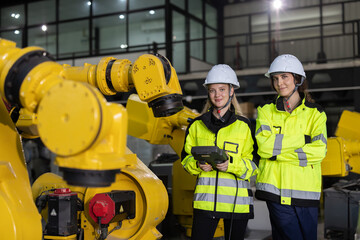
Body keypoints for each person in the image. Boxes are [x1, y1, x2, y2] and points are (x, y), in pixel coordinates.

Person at [181, 64, 258, 240]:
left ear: (232, 91)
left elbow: (253, 165)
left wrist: (230, 165)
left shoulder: (244, 126)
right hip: (205, 202)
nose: (217, 95)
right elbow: (185, 160)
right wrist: (198, 165)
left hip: (236, 204)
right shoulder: (196, 126)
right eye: (212, 90)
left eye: (222, 89)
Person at [255, 54, 327, 240]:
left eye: (284, 77)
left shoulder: (316, 114)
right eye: (275, 78)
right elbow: (264, 147)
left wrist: (277, 152)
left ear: (297, 78)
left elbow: (319, 151)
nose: (280, 83)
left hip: (307, 195)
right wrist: (303, 140)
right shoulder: (265, 111)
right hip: (275, 193)